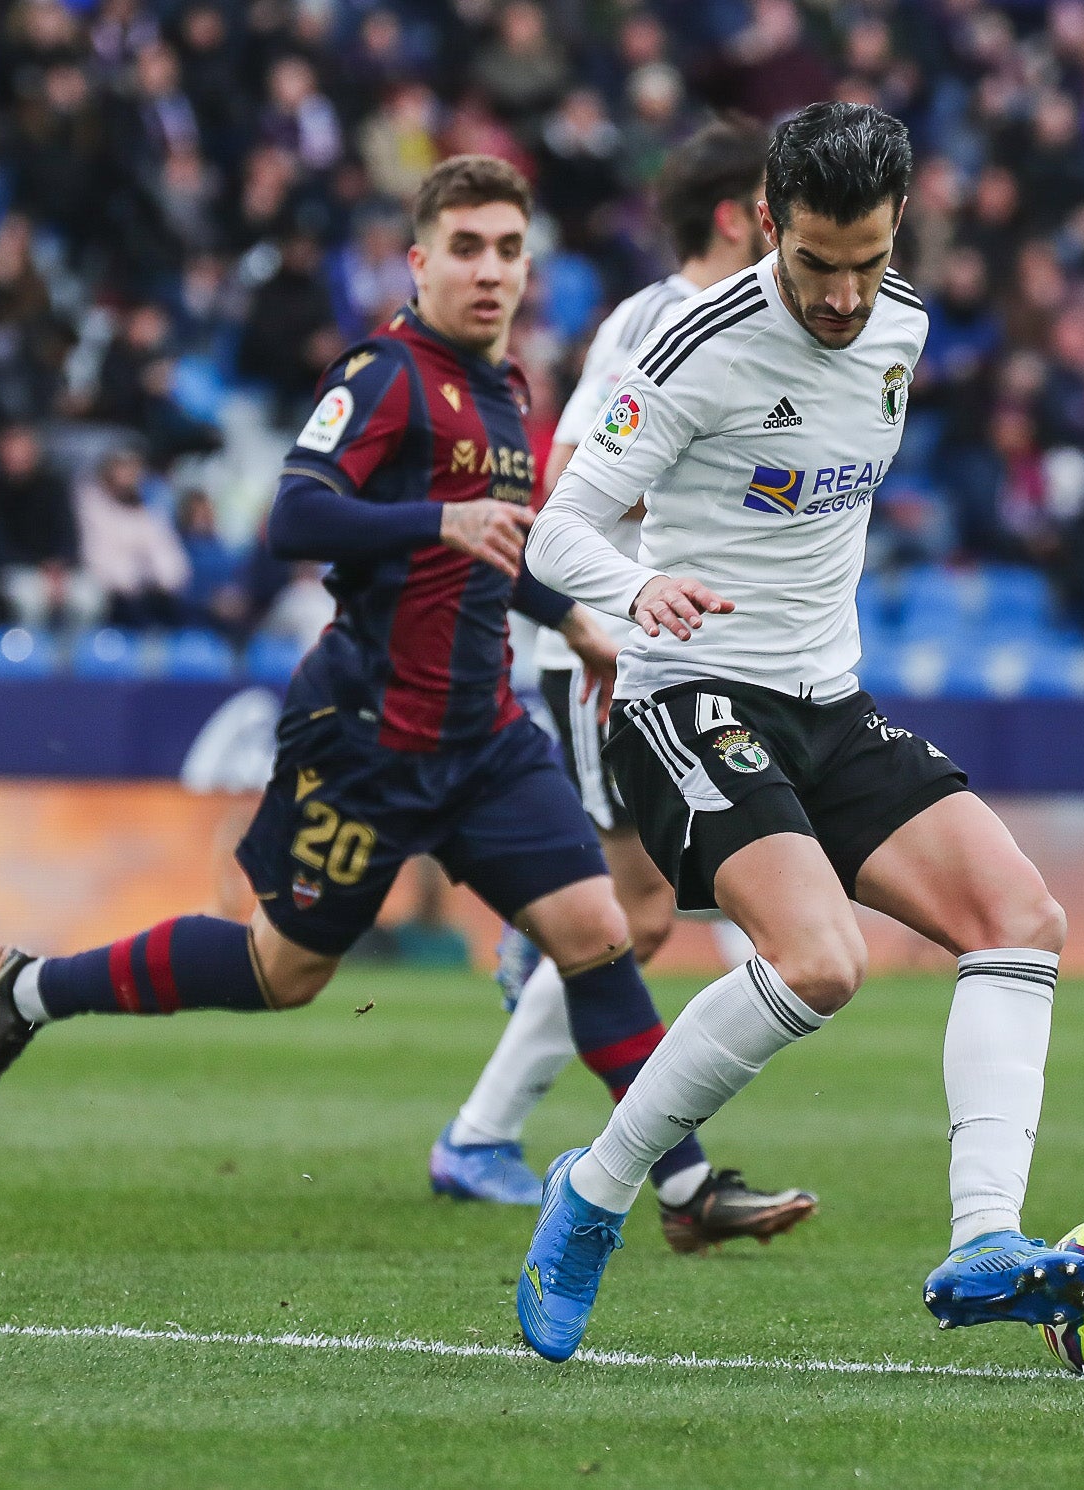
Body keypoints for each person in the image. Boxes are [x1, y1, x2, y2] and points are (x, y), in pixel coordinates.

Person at [0, 155, 812, 1258]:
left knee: (599, 933)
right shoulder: (386, 374)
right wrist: (432, 525)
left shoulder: (507, 391)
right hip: (367, 737)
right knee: (283, 969)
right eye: (466, 247)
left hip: (485, 734)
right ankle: (33, 987)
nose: (489, 270)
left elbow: (496, 540)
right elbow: (296, 519)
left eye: (508, 248)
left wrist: (576, 619)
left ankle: (684, 1185)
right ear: (419, 261)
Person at [513, 102, 1084, 1363]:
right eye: (816, 261)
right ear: (767, 223)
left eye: (868, 260)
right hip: (687, 696)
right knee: (822, 960)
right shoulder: (689, 346)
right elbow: (561, 526)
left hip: (827, 703)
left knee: (1022, 921)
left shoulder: (904, 326)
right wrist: (633, 593)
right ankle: (598, 1190)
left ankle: (985, 1239)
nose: (842, 294)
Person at [428, 120, 779, 1222]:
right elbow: (572, 477)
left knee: (634, 912)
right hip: (600, 648)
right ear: (737, 216)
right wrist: (613, 601)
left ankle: (501, 1105)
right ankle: (486, 1132)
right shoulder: (662, 321)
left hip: (669, 651)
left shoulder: (742, 325)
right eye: (781, 204)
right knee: (630, 913)